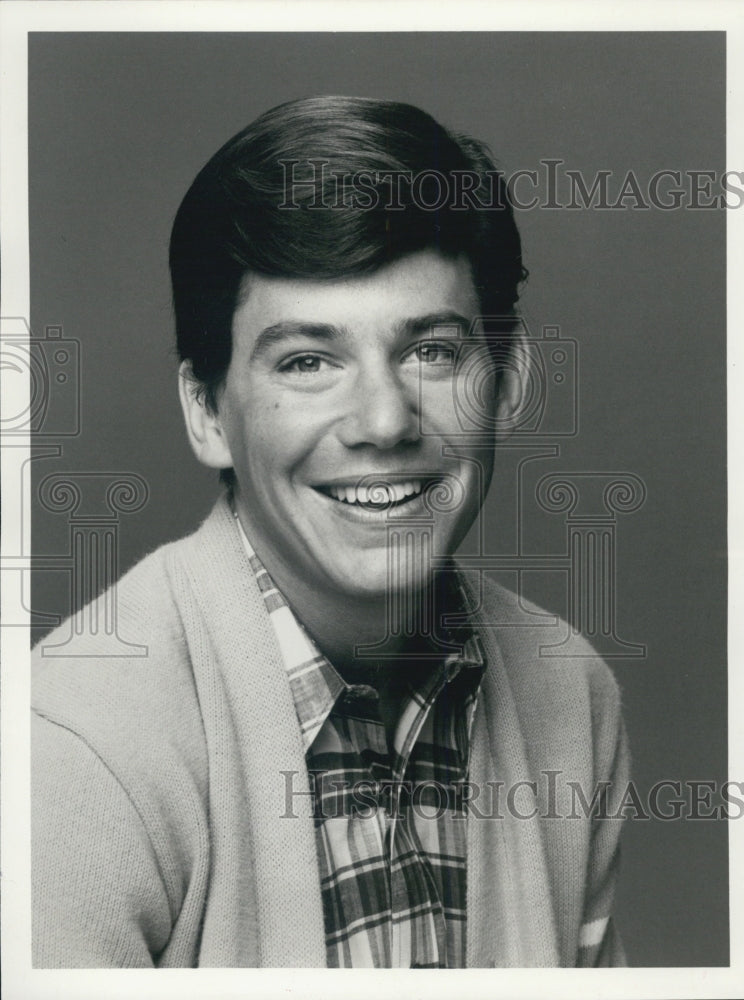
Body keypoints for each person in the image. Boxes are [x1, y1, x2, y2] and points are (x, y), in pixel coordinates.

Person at [31, 95, 629, 969]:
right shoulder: (67, 755)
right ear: (204, 410)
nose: (383, 421)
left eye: (431, 350)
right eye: (308, 362)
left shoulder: (570, 695)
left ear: (507, 382)